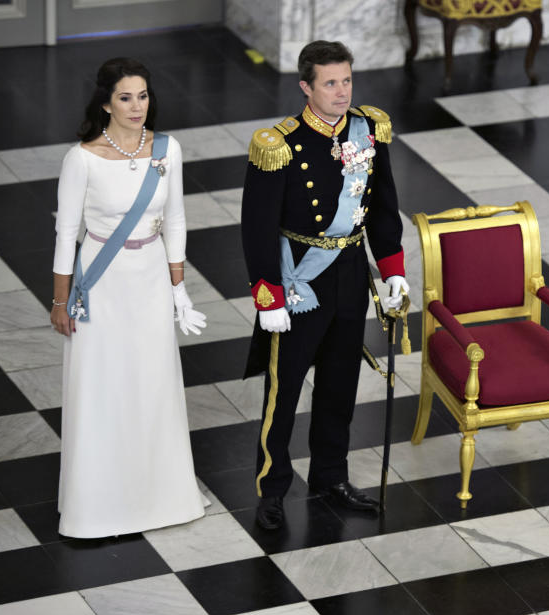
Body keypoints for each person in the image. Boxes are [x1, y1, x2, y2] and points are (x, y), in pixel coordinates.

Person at [240, 40, 409, 529]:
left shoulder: (369, 130)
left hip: (351, 274)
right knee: (284, 390)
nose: (341, 92)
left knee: (340, 385)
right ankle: (272, 489)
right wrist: (266, 294)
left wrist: (393, 270)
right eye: (330, 83)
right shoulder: (280, 145)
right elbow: (256, 226)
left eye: (347, 80)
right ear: (306, 87)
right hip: (299, 280)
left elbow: (381, 207)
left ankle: (330, 478)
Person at [51, 58, 208, 538]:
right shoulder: (82, 159)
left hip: (150, 281)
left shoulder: (167, 149)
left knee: (153, 384)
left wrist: (178, 286)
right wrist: (60, 302)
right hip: (102, 283)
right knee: (104, 389)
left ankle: (162, 497)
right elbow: (66, 234)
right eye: (125, 97)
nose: (136, 106)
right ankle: (97, 507)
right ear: (105, 102)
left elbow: (176, 218)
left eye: (142, 95)